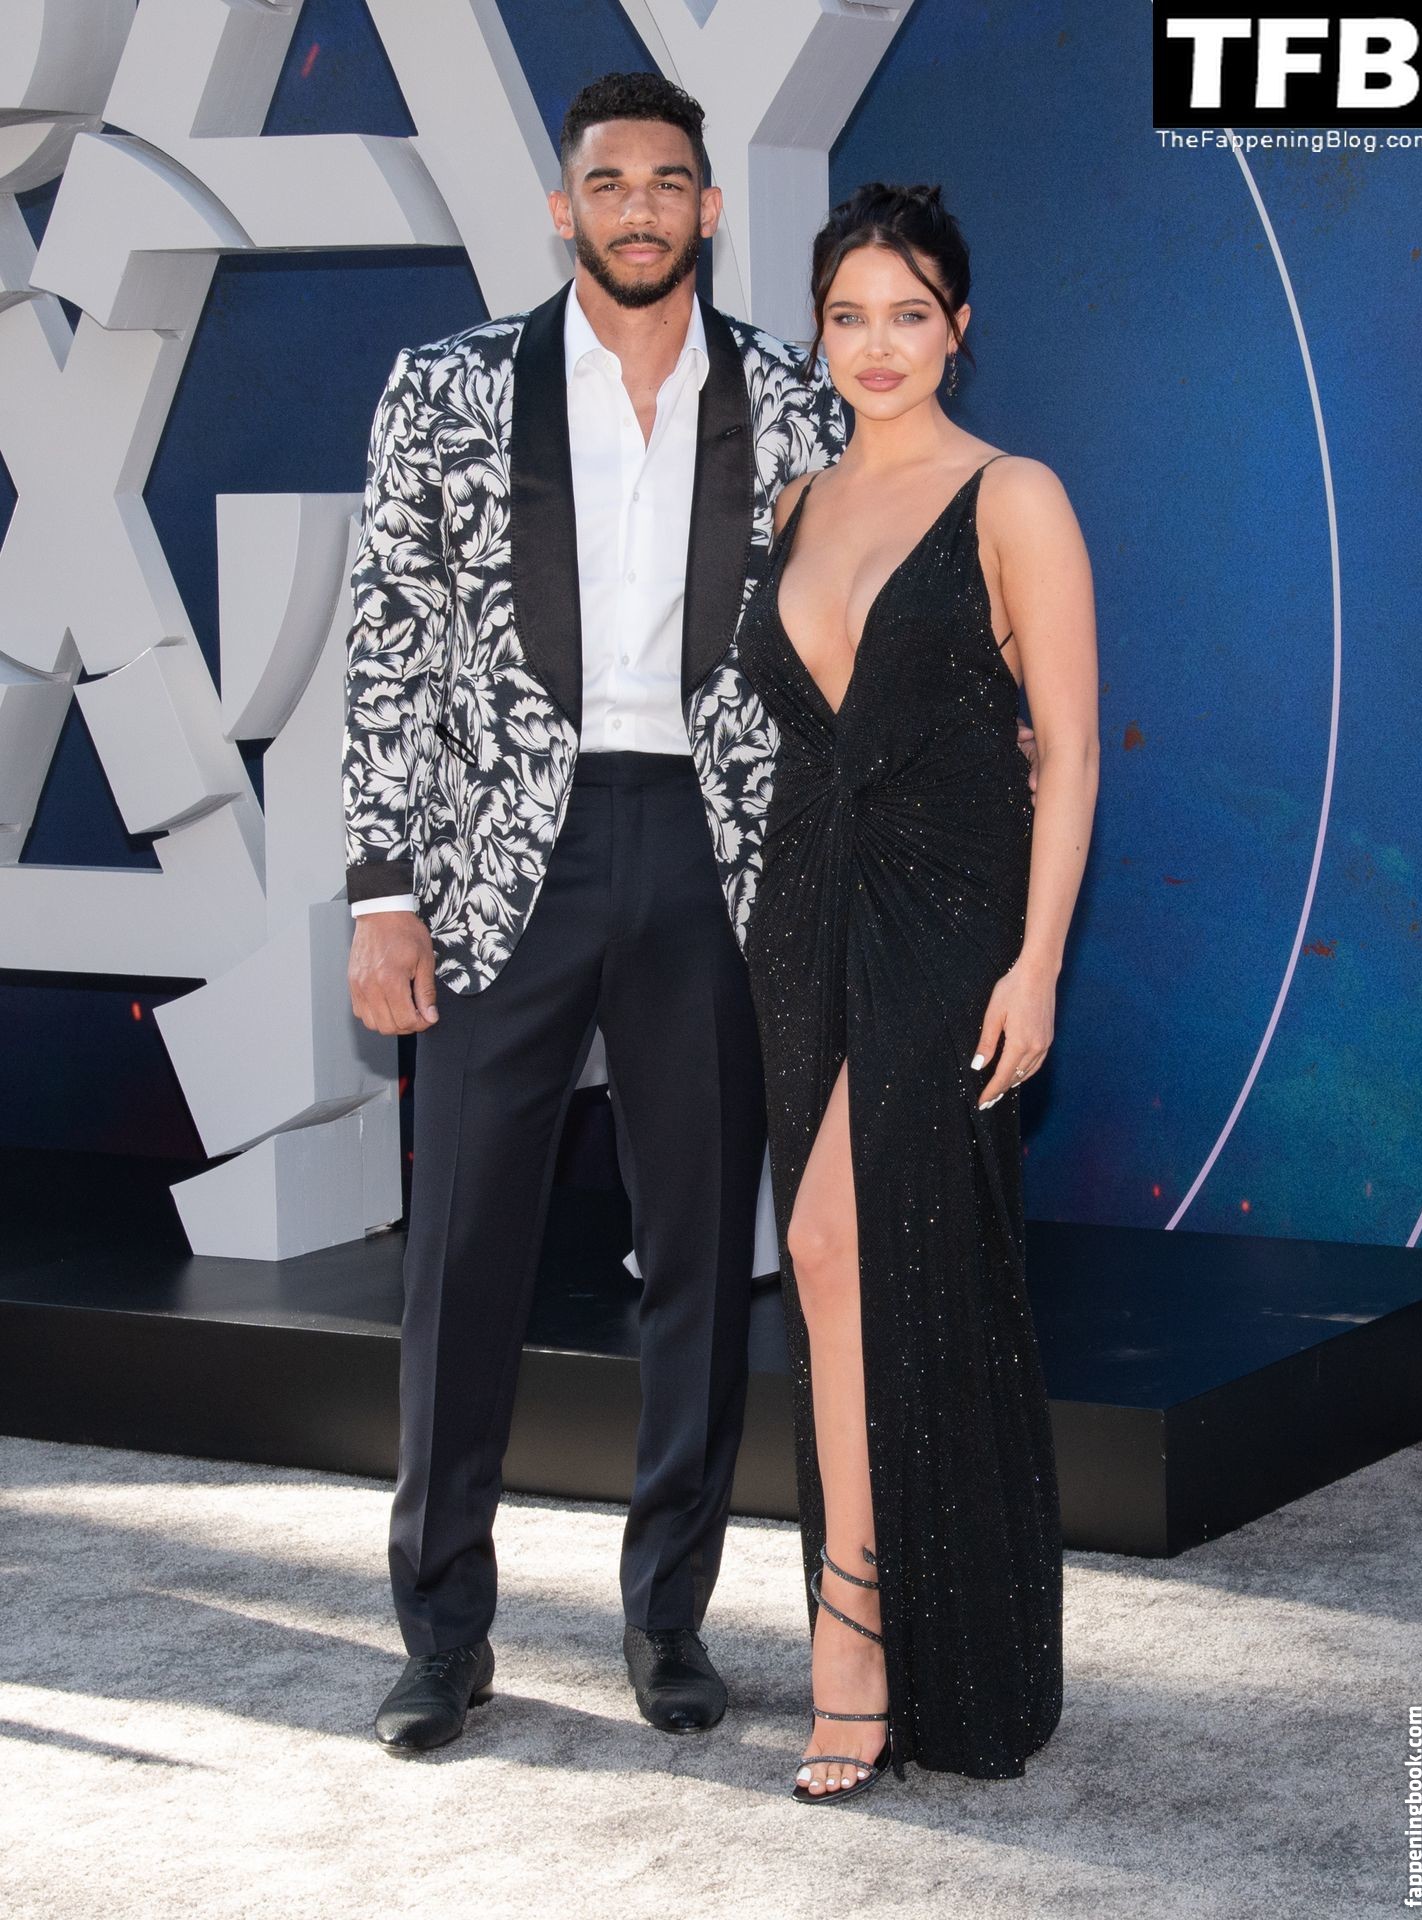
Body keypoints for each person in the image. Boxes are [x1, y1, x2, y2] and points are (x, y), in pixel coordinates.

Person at [343, 67, 1036, 1757]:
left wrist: (991, 718)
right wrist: (380, 891)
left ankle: (669, 1622)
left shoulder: (799, 397)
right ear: (563, 207)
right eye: (609, 182)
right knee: (462, 1259)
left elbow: (908, 574)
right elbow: (385, 646)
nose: (639, 207)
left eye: (667, 182)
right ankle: (442, 1635)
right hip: (501, 863)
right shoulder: (445, 388)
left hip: (728, 861)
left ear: (709, 210)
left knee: (700, 1263)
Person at [735, 181, 1098, 1801]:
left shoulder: (1013, 494)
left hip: (953, 917)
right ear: (820, 331)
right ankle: (911, 1626)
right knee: (853, 1275)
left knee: (839, 1245)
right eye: (848, 316)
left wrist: (1038, 961)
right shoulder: (797, 500)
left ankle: (858, 1635)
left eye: (909, 313)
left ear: (959, 326)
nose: (877, 344)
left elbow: (1068, 749)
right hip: (803, 914)